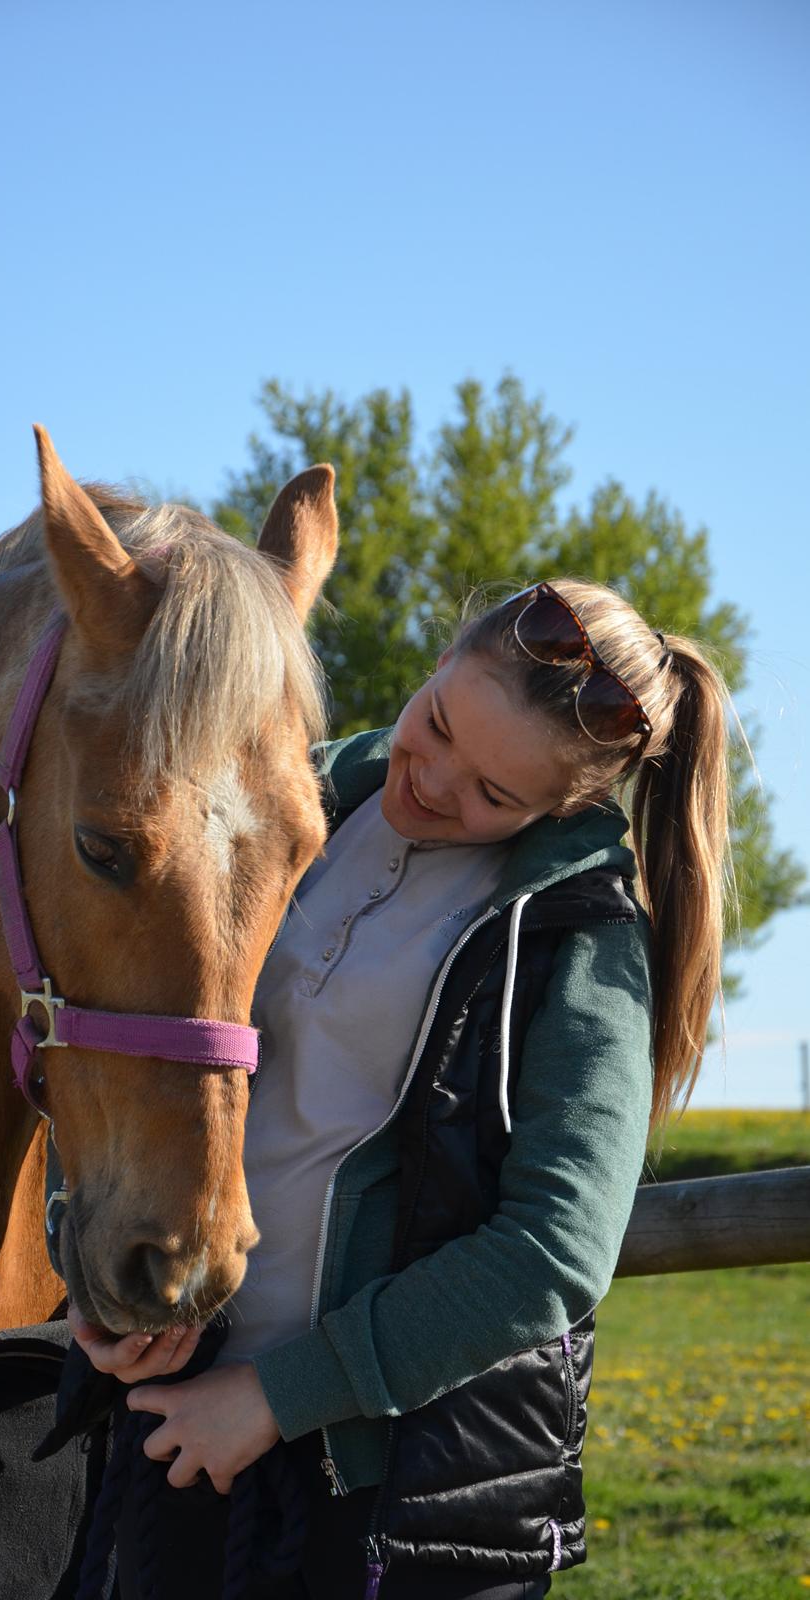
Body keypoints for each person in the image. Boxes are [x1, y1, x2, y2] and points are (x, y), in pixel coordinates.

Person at [68, 577, 731, 1599]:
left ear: (566, 805)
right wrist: (110, 1282)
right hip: (177, 1427)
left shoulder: (582, 945)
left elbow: (552, 1252)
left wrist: (276, 1397)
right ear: (436, 665)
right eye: (438, 723)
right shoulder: (285, 802)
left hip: (391, 1498)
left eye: (494, 795)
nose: (432, 782)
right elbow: (134, 1042)